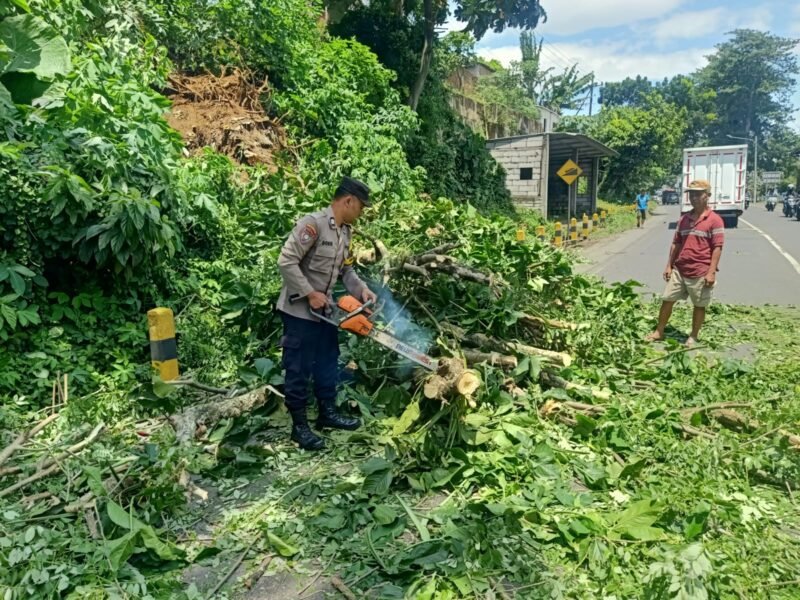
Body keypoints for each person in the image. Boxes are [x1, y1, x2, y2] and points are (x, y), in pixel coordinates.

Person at [276, 176, 377, 450]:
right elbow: (286, 260)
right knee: (298, 368)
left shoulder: (345, 232)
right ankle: (299, 427)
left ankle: (327, 413)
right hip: (299, 312)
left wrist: (362, 290)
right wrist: (310, 293)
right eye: (361, 207)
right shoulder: (314, 225)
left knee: (328, 361)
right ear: (349, 201)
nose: (361, 213)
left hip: (325, 312)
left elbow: (346, 270)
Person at [646, 180, 724, 347]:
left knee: (699, 305)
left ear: (707, 196)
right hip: (680, 269)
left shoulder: (715, 220)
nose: (694, 197)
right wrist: (669, 265)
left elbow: (717, 247)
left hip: (700, 270)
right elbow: (676, 243)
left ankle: (693, 336)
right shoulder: (684, 219)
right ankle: (659, 331)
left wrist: (711, 272)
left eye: (698, 194)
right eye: (691, 194)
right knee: (667, 299)